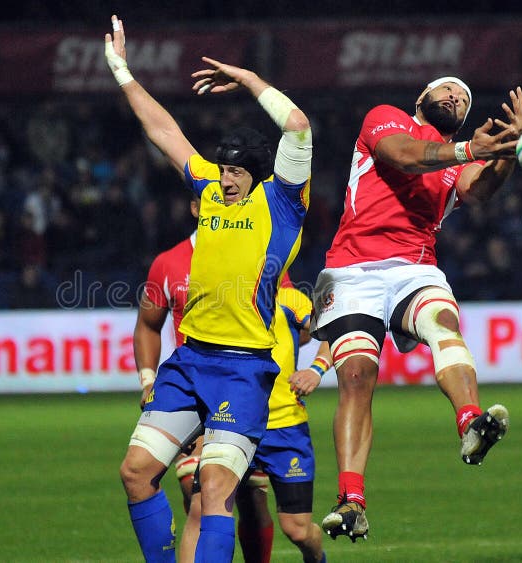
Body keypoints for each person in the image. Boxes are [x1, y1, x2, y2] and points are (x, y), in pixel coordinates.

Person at [106, 13, 313, 562]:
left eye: (234, 171)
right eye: (221, 169)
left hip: (244, 368)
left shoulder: (283, 204)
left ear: (258, 172)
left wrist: (248, 79)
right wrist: (123, 72)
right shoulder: (212, 193)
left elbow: (297, 126)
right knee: (135, 473)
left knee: (216, 490)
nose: (223, 178)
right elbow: (164, 131)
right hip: (189, 360)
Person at [310, 77, 522, 542]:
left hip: (415, 267)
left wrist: (510, 149)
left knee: (442, 322)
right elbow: (405, 157)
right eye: (448, 90)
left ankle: (472, 423)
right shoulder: (385, 119)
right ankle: (351, 502)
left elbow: (480, 190)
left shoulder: (455, 161)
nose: (456, 97)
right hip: (351, 270)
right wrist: (472, 148)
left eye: (464, 99)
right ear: (421, 100)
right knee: (356, 376)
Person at [134, 194, 277, 560]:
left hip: (243, 389)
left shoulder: (260, 251)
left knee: (253, 498)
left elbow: (292, 314)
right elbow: (148, 326)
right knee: (198, 498)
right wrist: (148, 379)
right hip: (193, 392)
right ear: (197, 208)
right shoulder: (169, 263)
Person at [181, 284, 328, 563]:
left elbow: (331, 331)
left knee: (297, 530)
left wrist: (316, 369)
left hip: (286, 430)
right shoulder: (226, 298)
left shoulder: (290, 298)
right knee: (204, 507)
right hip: (235, 423)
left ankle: (317, 558)